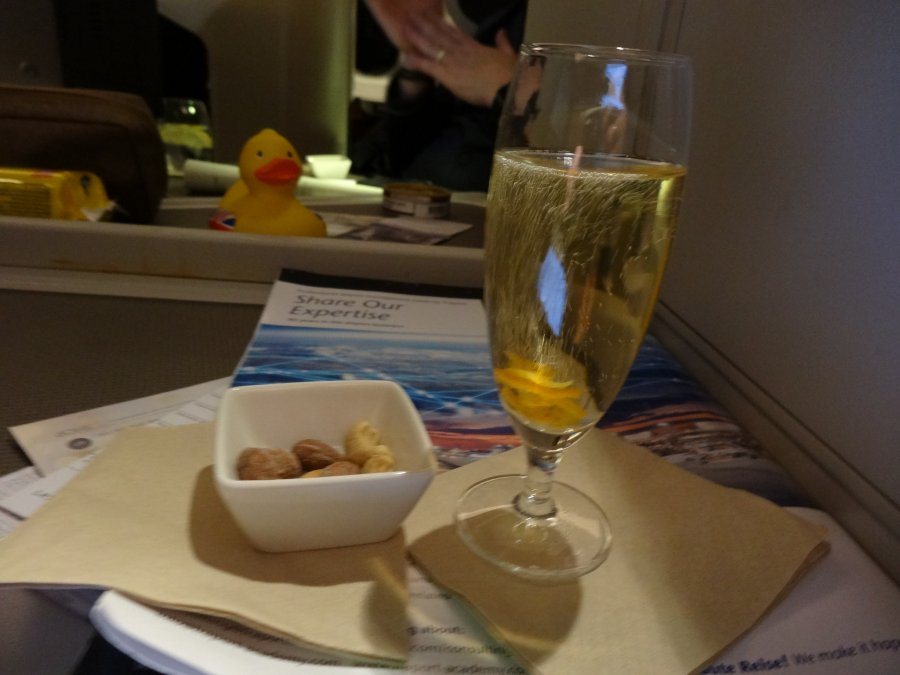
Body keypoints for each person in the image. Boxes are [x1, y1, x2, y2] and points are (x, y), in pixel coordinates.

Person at [351, 0, 529, 191]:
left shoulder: (531, 25)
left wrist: (509, 91)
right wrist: (416, 69)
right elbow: (394, 157)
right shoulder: (489, 25)